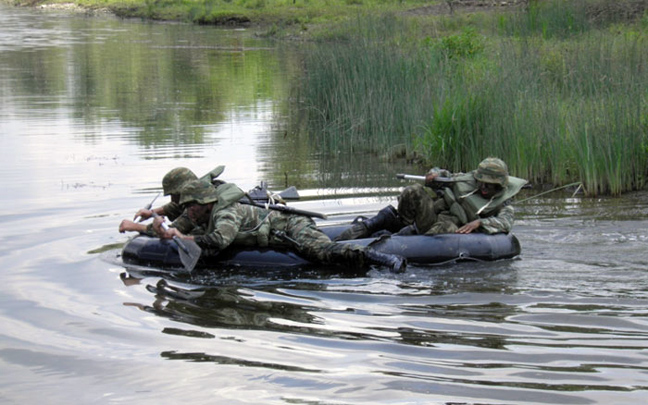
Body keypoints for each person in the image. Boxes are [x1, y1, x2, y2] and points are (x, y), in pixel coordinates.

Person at [153, 179, 407, 273]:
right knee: (331, 244)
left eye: (191, 206)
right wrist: (154, 227)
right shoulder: (204, 213)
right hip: (281, 232)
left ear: (204, 203)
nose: (188, 212)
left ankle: (384, 258)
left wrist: (184, 239)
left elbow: (220, 240)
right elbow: (187, 229)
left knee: (322, 252)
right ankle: (379, 224)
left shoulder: (225, 212)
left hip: (289, 227)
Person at [335, 157, 528, 240]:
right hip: (432, 214)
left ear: (499, 186)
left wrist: (479, 222)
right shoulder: (466, 180)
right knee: (413, 191)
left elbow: (505, 223)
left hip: (451, 224)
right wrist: (434, 174)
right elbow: (444, 174)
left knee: (444, 229)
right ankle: (390, 224)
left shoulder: (503, 203)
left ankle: (397, 240)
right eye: (482, 183)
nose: (484, 188)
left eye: (489, 186)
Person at [119, 166, 225, 234]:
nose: (172, 199)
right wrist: (152, 213)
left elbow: (171, 231)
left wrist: (135, 227)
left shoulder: (197, 208)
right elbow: (177, 206)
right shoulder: (203, 192)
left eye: (174, 195)